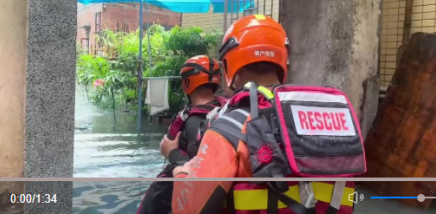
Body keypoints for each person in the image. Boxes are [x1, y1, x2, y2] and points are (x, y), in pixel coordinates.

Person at [170, 15, 366, 214]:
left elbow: (188, 209)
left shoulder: (229, 127)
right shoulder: (333, 119)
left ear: (229, 65)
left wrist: (180, 170)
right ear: (283, 61)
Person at [137, 55, 228, 214]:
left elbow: (199, 174)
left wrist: (172, 153)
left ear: (186, 83)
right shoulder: (229, 111)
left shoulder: (192, 123)